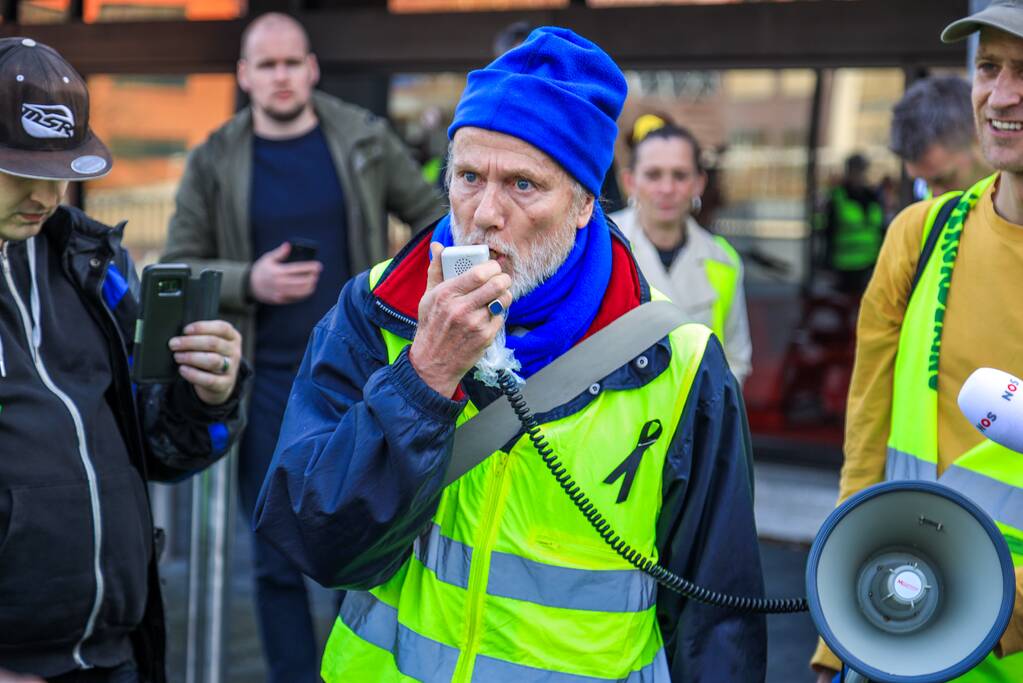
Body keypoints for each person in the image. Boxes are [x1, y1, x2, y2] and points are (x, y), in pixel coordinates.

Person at [255, 26, 766, 682]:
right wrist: (424, 376)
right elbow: (313, 541)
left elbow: (716, 619)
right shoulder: (376, 306)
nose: (484, 213)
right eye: (467, 176)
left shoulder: (678, 359)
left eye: (523, 185)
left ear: (584, 203)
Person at [161, 11, 444, 683]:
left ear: (312, 68)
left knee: (377, 536)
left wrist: (402, 300)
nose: (281, 76)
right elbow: (174, 266)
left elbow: (436, 217)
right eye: (267, 65)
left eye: (292, 63)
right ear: (244, 76)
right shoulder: (214, 158)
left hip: (364, 377)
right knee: (275, 553)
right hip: (265, 384)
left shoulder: (363, 139)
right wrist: (249, 280)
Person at [0, 37, 246, 681]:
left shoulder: (93, 266)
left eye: (62, 168)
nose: (46, 192)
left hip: (119, 652)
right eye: (18, 166)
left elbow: (162, 448)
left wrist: (208, 393)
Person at [812, 2, 1023, 679]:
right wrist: (832, 621)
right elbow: (866, 437)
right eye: (988, 67)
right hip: (890, 633)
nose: (1001, 93)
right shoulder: (919, 233)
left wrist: (997, 612)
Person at [612, 114, 752, 384]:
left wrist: (714, 417)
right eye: (653, 175)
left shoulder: (723, 260)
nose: (666, 188)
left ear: (699, 183)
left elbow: (736, 358)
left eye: (680, 175)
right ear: (630, 182)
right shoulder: (601, 246)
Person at [890, 75, 990, 200]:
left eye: (943, 180)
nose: (934, 197)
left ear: (978, 136)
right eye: (923, 184)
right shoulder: (927, 216)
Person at [816, 153, 885, 295]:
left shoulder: (873, 197)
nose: (859, 174)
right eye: (855, 170)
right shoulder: (837, 197)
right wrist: (827, 264)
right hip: (844, 268)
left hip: (871, 265)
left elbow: (880, 229)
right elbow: (826, 231)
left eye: (861, 169)